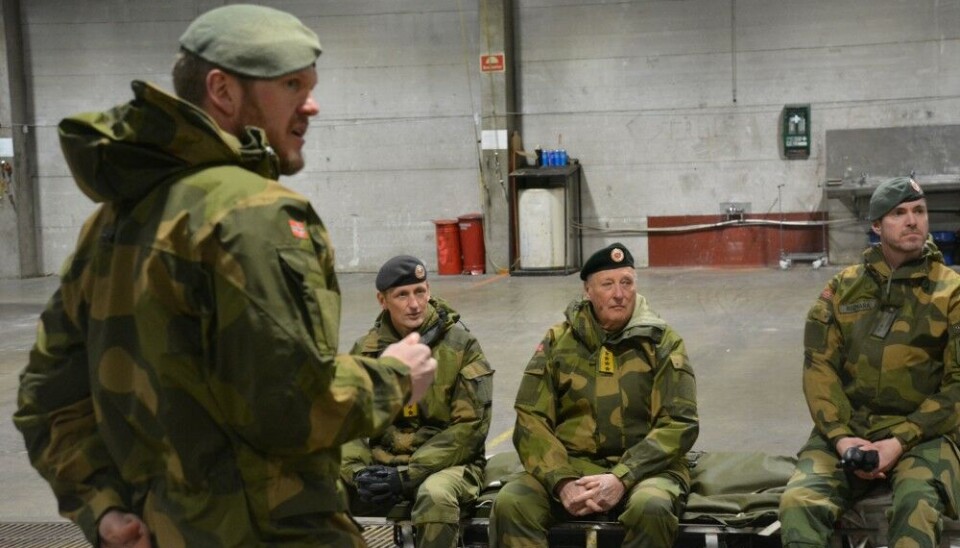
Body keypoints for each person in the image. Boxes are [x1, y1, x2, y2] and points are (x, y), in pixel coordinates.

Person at [12, 5, 436, 548]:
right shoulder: (253, 216)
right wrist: (394, 377)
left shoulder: (114, 218)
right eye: (291, 86)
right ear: (223, 91)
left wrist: (103, 508)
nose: (312, 104)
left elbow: (48, 398)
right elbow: (285, 407)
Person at [779, 177, 960, 547]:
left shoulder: (951, 292)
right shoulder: (842, 289)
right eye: (899, 213)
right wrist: (842, 438)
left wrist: (900, 441)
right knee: (798, 503)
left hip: (924, 435)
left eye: (919, 211)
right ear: (876, 225)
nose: (912, 221)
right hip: (849, 429)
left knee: (916, 506)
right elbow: (819, 367)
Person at [489, 243, 699, 548]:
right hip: (573, 467)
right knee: (512, 503)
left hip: (646, 469)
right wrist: (561, 482)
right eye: (608, 284)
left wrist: (622, 477)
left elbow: (680, 422)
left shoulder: (662, 342)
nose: (619, 294)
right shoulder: (559, 341)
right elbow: (531, 417)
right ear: (588, 291)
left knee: (650, 508)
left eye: (626, 282)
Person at [339, 255, 493, 548]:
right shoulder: (366, 351)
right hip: (382, 463)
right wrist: (358, 472)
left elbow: (470, 428)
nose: (414, 304)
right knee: (321, 493)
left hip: (448, 466)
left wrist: (407, 475)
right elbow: (348, 422)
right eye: (402, 295)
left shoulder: (461, 346)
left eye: (420, 291)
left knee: (435, 497)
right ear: (382, 300)